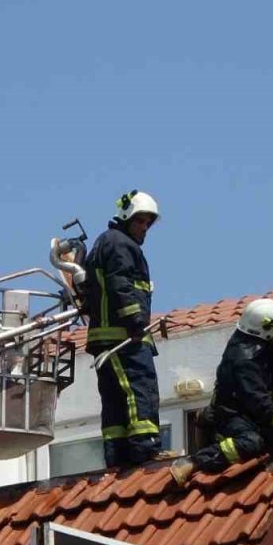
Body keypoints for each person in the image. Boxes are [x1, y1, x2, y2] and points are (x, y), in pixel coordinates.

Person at [169, 299, 273, 486]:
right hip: (231, 416)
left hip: (254, 412)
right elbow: (264, 409)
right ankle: (194, 461)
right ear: (265, 329)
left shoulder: (263, 343)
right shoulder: (244, 361)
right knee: (252, 443)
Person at [83, 190, 163, 469]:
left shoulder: (107, 243)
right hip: (123, 338)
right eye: (139, 222)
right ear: (127, 218)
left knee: (116, 399)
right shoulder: (120, 244)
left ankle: (118, 455)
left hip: (106, 338)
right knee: (140, 389)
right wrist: (136, 322)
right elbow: (122, 285)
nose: (144, 228)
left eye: (147, 223)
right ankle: (145, 449)